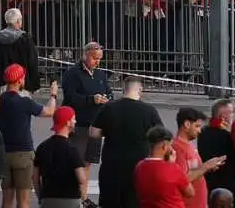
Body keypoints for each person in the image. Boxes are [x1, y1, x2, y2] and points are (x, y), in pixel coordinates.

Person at [90, 76, 163, 208]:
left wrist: (108, 131)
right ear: (140, 90)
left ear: (124, 89)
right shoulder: (149, 111)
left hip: (111, 167)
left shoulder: (109, 108)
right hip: (138, 168)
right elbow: (161, 136)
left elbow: (94, 133)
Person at [0, 64, 58, 208]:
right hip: (23, 153)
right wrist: (53, 94)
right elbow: (49, 111)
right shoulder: (25, 102)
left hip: (3, 153)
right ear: (20, 80)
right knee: (23, 202)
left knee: (7, 200)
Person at [61, 42, 112, 174]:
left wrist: (107, 99)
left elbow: (110, 93)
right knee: (76, 162)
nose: (98, 62)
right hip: (79, 125)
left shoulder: (100, 75)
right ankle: (75, 193)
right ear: (85, 55)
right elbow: (70, 97)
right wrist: (91, 99)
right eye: (95, 58)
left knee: (88, 163)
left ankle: (83, 195)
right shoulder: (72, 74)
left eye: (100, 59)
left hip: (95, 125)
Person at [33, 106, 91, 208]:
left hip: (48, 199)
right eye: (73, 118)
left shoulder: (42, 147)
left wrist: (41, 197)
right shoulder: (72, 149)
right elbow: (81, 179)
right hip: (70, 199)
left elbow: (34, 177)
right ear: (68, 123)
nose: (75, 121)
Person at [173, 108, 227, 208]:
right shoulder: (177, 148)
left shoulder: (189, 145)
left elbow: (194, 172)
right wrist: (206, 166)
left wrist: (209, 167)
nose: (199, 130)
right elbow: (183, 179)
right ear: (187, 124)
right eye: (197, 126)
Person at [133, 125, 194, 207]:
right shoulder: (173, 168)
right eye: (171, 145)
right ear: (164, 146)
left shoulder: (139, 167)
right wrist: (173, 165)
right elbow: (190, 192)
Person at [0, 8, 40, 92]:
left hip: (2, 83)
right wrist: (34, 85)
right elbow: (32, 62)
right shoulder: (25, 39)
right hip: (21, 83)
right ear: (18, 21)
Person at [197, 99, 235, 198]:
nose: (233, 115)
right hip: (228, 184)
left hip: (209, 181)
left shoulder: (203, 131)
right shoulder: (227, 135)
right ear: (223, 117)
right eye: (231, 112)